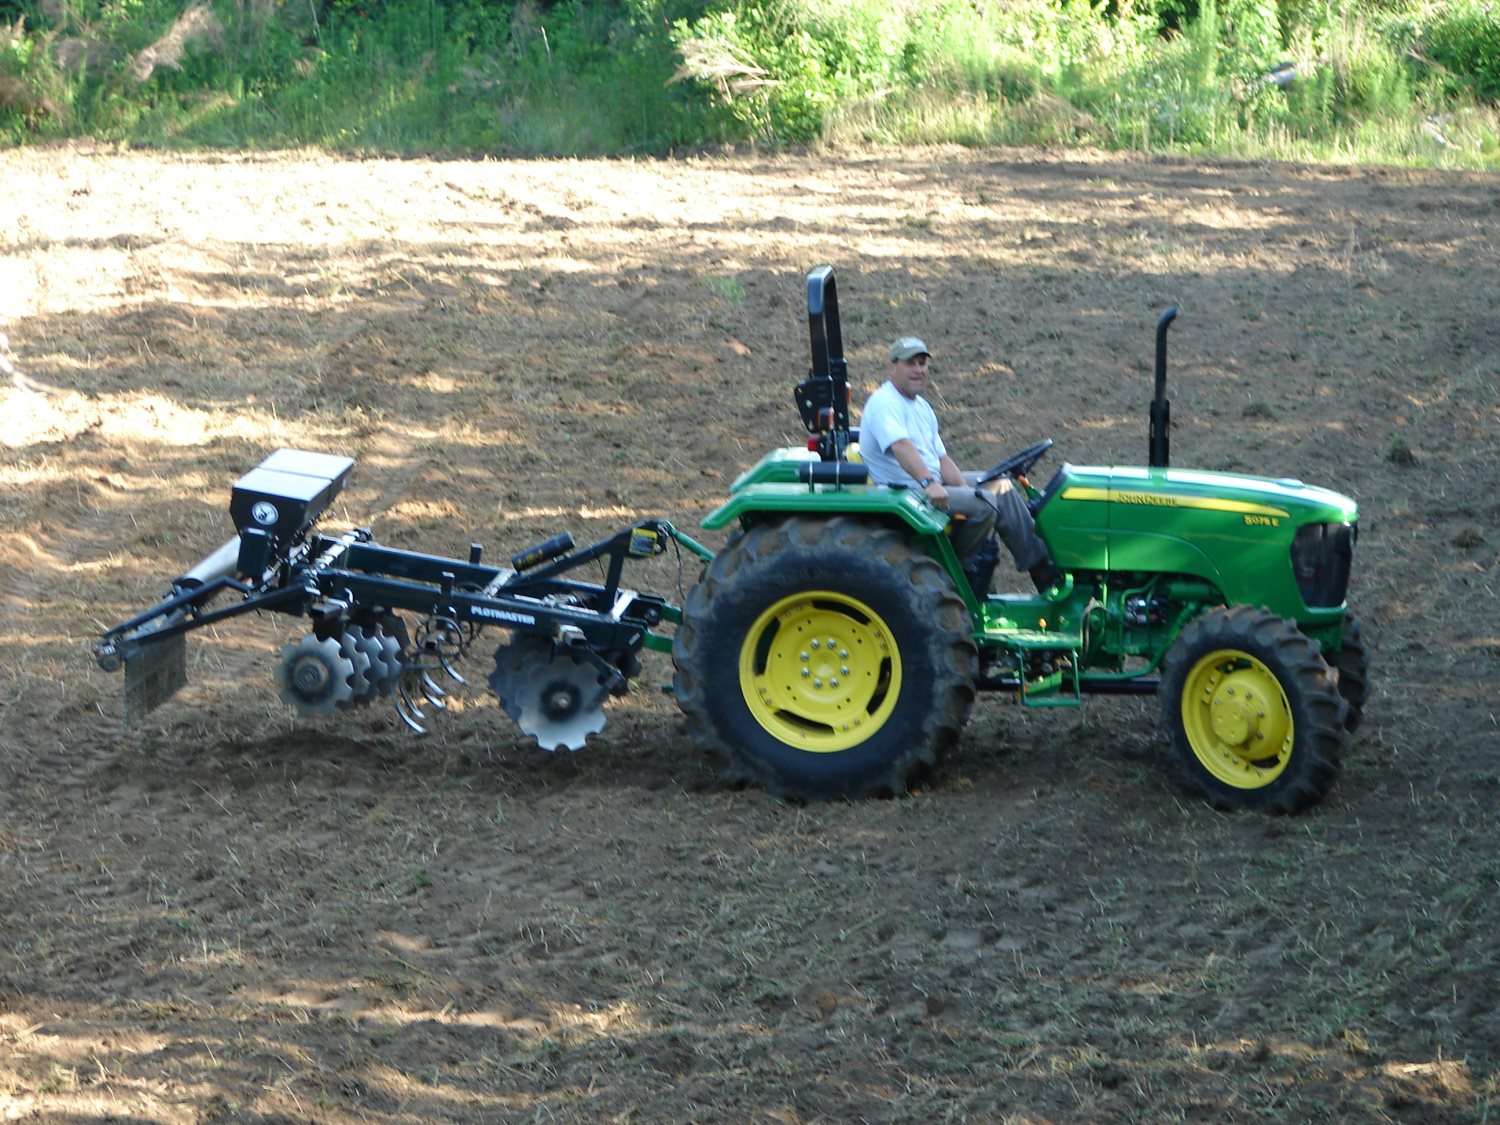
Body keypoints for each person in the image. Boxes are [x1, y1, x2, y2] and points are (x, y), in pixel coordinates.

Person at [858, 336, 1059, 594]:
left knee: (1001, 487)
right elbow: (901, 447)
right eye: (911, 364)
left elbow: (941, 459)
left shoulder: (921, 406)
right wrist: (929, 483)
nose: (918, 370)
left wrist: (964, 489)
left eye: (922, 363)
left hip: (927, 483)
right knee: (984, 505)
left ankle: (1043, 571)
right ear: (892, 367)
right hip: (903, 492)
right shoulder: (884, 402)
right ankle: (962, 579)